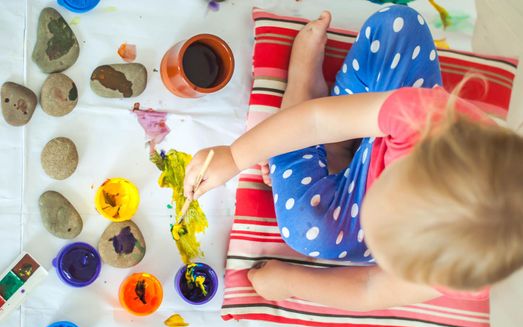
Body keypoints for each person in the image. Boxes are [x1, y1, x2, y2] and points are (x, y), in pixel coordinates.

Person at [183, 5, 523, 311]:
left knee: (306, 229)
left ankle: (329, 142)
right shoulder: (422, 115)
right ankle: (305, 91)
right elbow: (317, 120)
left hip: (387, 143)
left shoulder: (465, 271)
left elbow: (370, 288)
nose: (370, 238)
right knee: (398, 24)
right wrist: (234, 155)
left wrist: (291, 283)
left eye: (381, 246)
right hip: (387, 123)